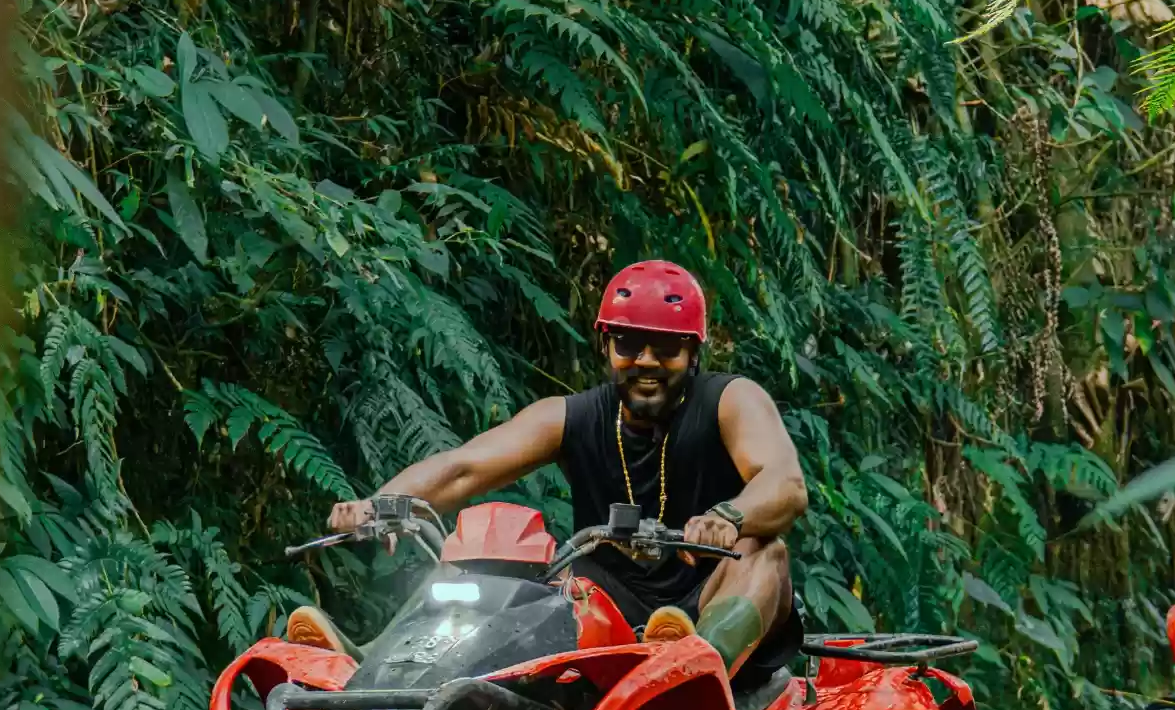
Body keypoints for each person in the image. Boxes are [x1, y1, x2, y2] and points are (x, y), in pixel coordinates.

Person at [291, 260, 808, 677]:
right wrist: (378, 506)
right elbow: (462, 468)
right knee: (477, 562)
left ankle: (694, 664)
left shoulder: (730, 400)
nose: (646, 360)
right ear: (606, 345)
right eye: (629, 344)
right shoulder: (574, 416)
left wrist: (731, 516)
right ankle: (377, 661)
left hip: (710, 593)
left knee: (765, 551)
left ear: (693, 352)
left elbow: (784, 482)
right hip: (605, 603)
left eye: (666, 346)